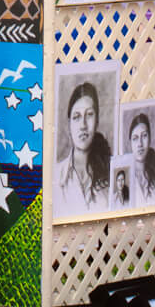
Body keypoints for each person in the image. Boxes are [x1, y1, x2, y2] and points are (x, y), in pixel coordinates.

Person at [56, 81, 111, 213]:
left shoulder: (110, 172)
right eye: (77, 117)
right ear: (69, 124)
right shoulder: (56, 175)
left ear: (97, 121)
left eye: (89, 115)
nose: (83, 125)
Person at [125, 111, 155, 205]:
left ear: (150, 138)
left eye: (144, 136)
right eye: (135, 138)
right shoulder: (125, 176)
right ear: (130, 142)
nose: (140, 144)